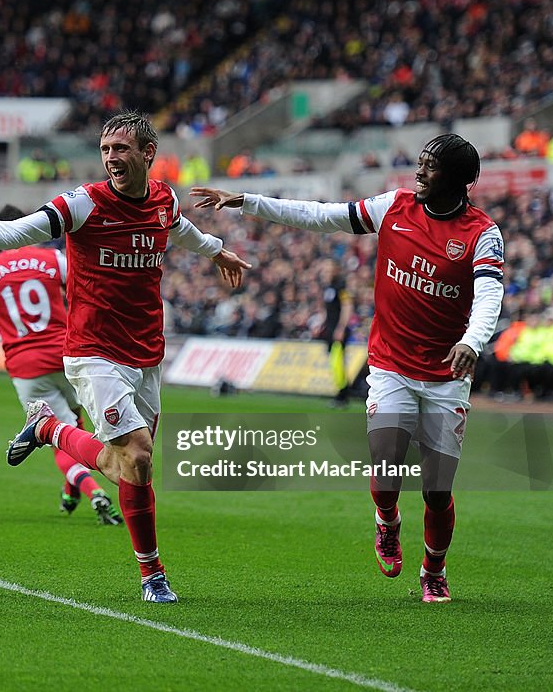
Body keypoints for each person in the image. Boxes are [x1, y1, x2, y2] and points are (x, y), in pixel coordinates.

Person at [0, 111, 251, 603]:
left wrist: (216, 251)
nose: (111, 159)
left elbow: (181, 229)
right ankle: (152, 573)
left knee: (134, 467)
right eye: (105, 151)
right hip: (93, 350)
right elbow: (20, 231)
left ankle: (49, 430)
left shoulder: (164, 199)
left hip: (147, 351)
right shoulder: (85, 203)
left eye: (121, 150)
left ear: (147, 154)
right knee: (139, 453)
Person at [191, 133, 505, 604]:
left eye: (430, 166)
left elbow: (489, 295)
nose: (418, 172)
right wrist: (247, 201)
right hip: (391, 366)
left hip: (444, 376)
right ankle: (387, 521)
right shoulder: (393, 208)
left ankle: (433, 572)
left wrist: (471, 341)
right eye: (419, 163)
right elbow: (321, 215)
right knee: (386, 472)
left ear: (458, 180)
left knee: (438, 492)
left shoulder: (482, 233)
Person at [0, 204, 122, 525]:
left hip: (26, 367)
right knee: (77, 425)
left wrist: (13, 336)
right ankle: (72, 493)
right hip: (68, 354)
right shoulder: (54, 260)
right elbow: (84, 299)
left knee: (55, 433)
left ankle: (93, 489)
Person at [319, 259, 356, 408]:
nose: (325, 271)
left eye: (328, 268)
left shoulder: (341, 286)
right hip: (330, 329)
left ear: (335, 270)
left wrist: (341, 328)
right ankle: (340, 392)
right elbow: (327, 308)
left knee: (337, 362)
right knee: (334, 363)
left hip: (338, 330)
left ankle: (343, 395)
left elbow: (347, 307)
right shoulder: (328, 287)